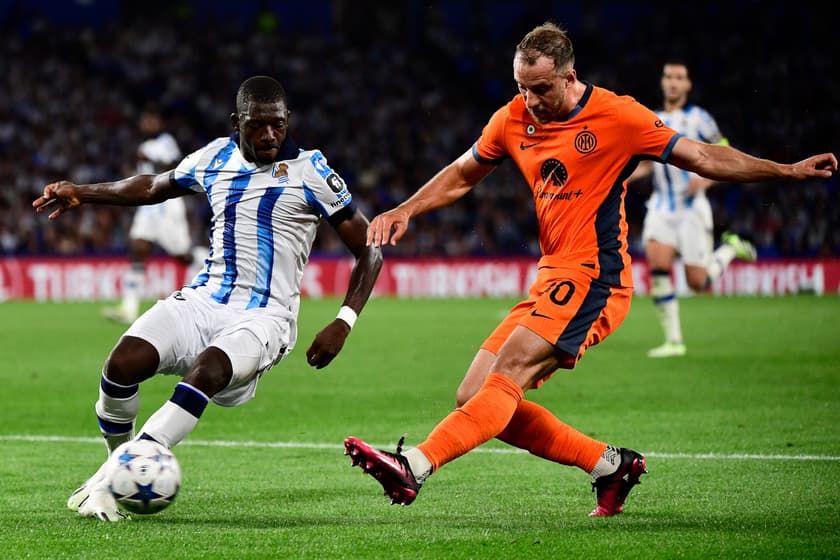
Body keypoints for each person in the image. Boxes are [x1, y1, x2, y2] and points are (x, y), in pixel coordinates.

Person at [343, 22, 837, 516]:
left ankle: (415, 464)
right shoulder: (514, 117)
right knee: (473, 395)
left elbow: (703, 156)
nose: (529, 100)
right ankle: (609, 466)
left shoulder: (619, 116)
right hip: (551, 278)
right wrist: (406, 208)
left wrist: (786, 170)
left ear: (568, 75)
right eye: (520, 87)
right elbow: (462, 174)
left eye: (540, 89)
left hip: (597, 278)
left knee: (509, 373)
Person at [33, 75, 383, 521]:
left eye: (278, 124)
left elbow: (369, 249)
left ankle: (110, 481)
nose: (270, 134)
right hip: (204, 300)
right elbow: (152, 187)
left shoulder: (312, 171)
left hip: (265, 318)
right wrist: (82, 192)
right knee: (120, 366)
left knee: (208, 370)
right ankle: (117, 468)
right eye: (258, 125)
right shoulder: (213, 156)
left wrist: (344, 320)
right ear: (237, 122)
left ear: (288, 121)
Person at [628, 61, 757, 358]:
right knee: (658, 269)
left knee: (697, 283)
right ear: (662, 82)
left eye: (679, 78)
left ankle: (729, 249)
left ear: (687, 85)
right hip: (661, 207)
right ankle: (674, 341)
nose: (673, 82)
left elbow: (726, 153)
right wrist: (623, 177)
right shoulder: (654, 119)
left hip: (691, 210)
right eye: (669, 77)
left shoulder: (700, 119)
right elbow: (648, 163)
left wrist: (707, 180)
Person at [102, 107, 209, 324]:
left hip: (167, 206)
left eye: (151, 120)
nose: (147, 123)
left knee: (183, 257)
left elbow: (174, 167)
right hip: (147, 207)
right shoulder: (143, 146)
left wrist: (149, 159)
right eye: (144, 119)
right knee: (138, 248)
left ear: (159, 123)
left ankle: (217, 260)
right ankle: (128, 308)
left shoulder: (165, 141)